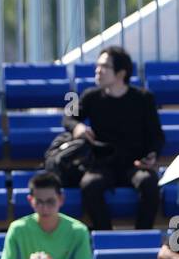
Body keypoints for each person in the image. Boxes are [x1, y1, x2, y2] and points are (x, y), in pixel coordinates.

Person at [66, 46, 164, 230]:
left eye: (104, 66)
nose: (98, 70)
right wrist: (77, 126)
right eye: (97, 65)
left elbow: (157, 136)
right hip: (103, 164)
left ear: (120, 73)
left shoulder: (144, 98)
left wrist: (152, 154)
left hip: (135, 165)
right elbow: (68, 117)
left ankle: (142, 238)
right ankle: (105, 237)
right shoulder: (90, 96)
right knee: (89, 185)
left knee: (150, 184)